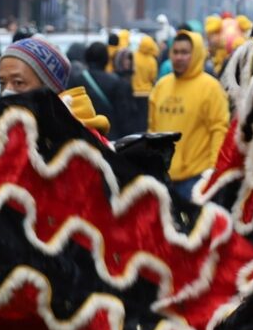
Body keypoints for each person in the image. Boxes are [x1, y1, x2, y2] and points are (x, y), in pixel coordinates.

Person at [146, 31, 229, 203]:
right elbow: (152, 130)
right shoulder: (161, 86)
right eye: (175, 52)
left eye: (185, 52)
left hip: (196, 180)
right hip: (163, 179)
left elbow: (219, 130)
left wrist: (213, 171)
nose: (179, 57)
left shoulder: (211, 88)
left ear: (197, 53)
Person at [0, 37, 107, 133]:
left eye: (18, 83)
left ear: (48, 89)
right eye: (2, 83)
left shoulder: (74, 139)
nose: (6, 91)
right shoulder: (5, 130)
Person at [78, 42, 133, 133]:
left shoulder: (78, 80)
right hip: (109, 135)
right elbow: (123, 116)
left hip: (85, 135)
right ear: (106, 59)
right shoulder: (117, 82)